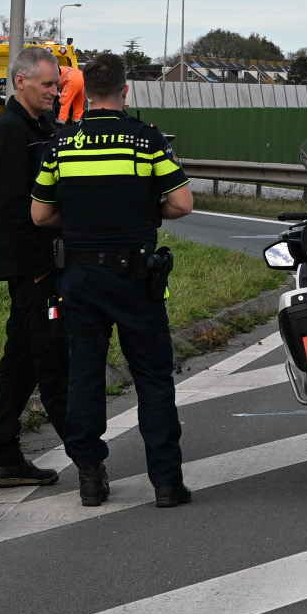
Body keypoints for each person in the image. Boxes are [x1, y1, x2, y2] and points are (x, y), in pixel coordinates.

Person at [30, 53, 196, 508]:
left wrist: (81, 220)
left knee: (84, 376)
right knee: (153, 378)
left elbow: (40, 213)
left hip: (80, 276)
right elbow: (182, 204)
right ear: (125, 92)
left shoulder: (62, 145)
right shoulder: (146, 141)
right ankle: (166, 483)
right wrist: (144, 211)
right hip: (136, 276)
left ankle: (89, 478)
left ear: (83, 96)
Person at [0, 46, 70, 487]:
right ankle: (85, 453)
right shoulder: (10, 132)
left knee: (20, 361)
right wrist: (37, 268)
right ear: (20, 82)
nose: (55, 91)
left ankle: (4, 455)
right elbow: (9, 209)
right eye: (48, 84)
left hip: (46, 263)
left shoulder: (44, 125)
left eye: (57, 84)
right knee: (49, 356)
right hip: (33, 269)